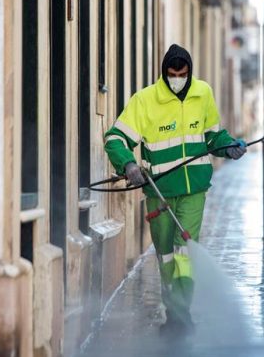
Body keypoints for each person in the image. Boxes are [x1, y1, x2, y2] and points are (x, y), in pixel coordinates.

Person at [103, 43, 246, 333]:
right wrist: (129, 165)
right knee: (166, 254)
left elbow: (212, 136)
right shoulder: (145, 101)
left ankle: (182, 316)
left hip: (195, 190)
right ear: (164, 73)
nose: (177, 79)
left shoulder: (202, 93)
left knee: (185, 252)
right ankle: (174, 313)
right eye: (172, 74)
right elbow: (115, 138)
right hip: (159, 193)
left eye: (182, 74)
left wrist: (229, 146)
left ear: (190, 73)